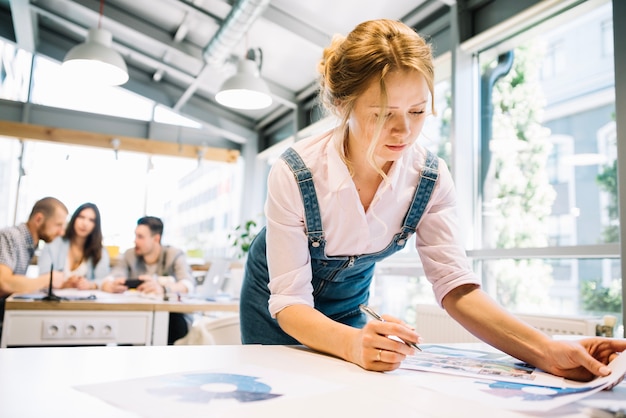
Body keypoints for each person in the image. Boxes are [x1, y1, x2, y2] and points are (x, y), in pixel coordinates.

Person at [240, 19, 626, 382]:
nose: (403, 130)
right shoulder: (295, 172)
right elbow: (290, 300)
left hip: (346, 310)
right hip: (275, 307)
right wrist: (353, 342)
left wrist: (545, 351)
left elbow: (455, 286)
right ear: (343, 106)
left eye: (418, 111)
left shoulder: (429, 177)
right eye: (382, 114)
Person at [101, 216, 194, 344]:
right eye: (135, 236)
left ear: (156, 239)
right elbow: (113, 275)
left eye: (140, 237)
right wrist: (107, 285)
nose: (135, 241)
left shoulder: (174, 254)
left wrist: (163, 288)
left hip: (171, 318)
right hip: (136, 314)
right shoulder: (130, 255)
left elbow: (187, 284)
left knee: (174, 324)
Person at [0, 197, 68, 333]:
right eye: (58, 225)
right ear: (38, 219)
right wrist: (47, 279)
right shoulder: (10, 236)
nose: (61, 232)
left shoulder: (30, 244)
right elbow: (4, 283)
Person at [38, 202, 110, 290]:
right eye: (81, 217)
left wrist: (90, 285)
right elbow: (43, 276)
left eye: (91, 220)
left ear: (96, 225)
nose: (85, 223)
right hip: (55, 300)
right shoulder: (53, 242)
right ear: (74, 218)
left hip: (85, 302)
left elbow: (103, 280)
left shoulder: (100, 251)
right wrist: (64, 284)